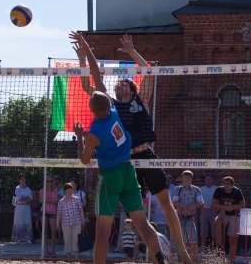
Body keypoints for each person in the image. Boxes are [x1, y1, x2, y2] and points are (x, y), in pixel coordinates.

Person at [71, 31, 191, 264]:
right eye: (118, 85)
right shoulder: (111, 106)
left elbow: (149, 73)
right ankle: (149, 255)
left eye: (125, 83)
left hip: (144, 154)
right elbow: (89, 85)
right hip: (125, 162)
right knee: (136, 218)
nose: (120, 86)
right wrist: (83, 59)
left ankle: (182, 250)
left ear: (133, 89)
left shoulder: (139, 100)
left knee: (165, 202)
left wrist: (132, 52)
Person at [211, 176, 245, 263]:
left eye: (228, 184)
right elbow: (212, 204)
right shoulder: (219, 190)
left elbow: (242, 205)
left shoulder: (237, 191)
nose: (226, 186)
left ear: (232, 185)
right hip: (223, 214)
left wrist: (232, 207)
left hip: (234, 216)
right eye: (225, 184)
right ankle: (219, 245)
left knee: (233, 240)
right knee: (217, 221)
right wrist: (224, 207)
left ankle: (231, 261)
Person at [172, 170, 204, 262]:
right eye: (185, 177)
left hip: (190, 217)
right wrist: (184, 206)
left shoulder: (196, 189)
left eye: (188, 177)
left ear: (191, 179)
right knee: (179, 240)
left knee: (193, 240)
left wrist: (194, 206)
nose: (186, 179)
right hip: (179, 217)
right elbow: (174, 202)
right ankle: (181, 259)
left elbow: (201, 202)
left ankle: (193, 260)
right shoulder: (177, 189)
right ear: (182, 178)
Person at [56, 183, 85, 259]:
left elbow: (81, 211)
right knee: (67, 239)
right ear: (65, 191)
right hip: (65, 223)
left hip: (76, 222)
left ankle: (76, 256)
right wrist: (57, 223)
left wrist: (83, 220)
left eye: (71, 189)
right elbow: (59, 214)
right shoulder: (61, 202)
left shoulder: (77, 199)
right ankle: (68, 256)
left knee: (76, 238)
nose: (70, 191)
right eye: (68, 189)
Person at [39, 175, 58, 258]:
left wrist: (47, 201)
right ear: (45, 182)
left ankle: (53, 250)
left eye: (50, 181)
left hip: (53, 212)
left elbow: (56, 201)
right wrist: (51, 201)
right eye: (47, 181)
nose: (49, 182)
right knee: (45, 231)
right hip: (44, 212)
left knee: (53, 231)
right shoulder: (42, 191)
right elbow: (41, 201)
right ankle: (46, 250)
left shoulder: (55, 191)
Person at [11, 173, 33, 244]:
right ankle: (18, 238)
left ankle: (28, 238)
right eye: (21, 179)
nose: (23, 180)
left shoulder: (28, 189)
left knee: (27, 221)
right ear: (19, 180)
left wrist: (25, 199)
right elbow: (19, 198)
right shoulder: (17, 188)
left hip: (27, 207)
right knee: (19, 221)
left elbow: (31, 198)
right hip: (19, 207)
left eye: (24, 179)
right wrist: (27, 199)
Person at [200, 175, 217, 247]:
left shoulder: (216, 189)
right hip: (203, 210)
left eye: (210, 179)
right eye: (207, 179)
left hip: (214, 210)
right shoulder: (201, 189)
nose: (208, 181)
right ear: (205, 180)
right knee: (203, 229)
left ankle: (217, 247)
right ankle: (202, 246)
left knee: (214, 229)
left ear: (212, 180)